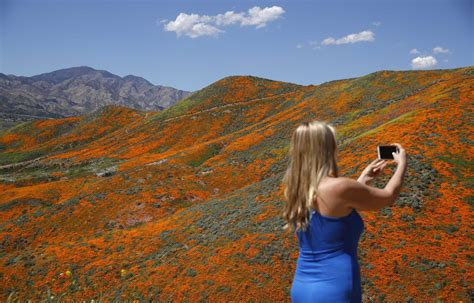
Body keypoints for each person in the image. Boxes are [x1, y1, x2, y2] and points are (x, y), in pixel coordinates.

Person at [281, 120, 407, 302]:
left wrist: (362, 179)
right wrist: (402, 163)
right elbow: (388, 196)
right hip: (335, 289)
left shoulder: (297, 189)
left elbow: (335, 209)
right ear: (327, 149)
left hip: (302, 288)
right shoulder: (339, 188)